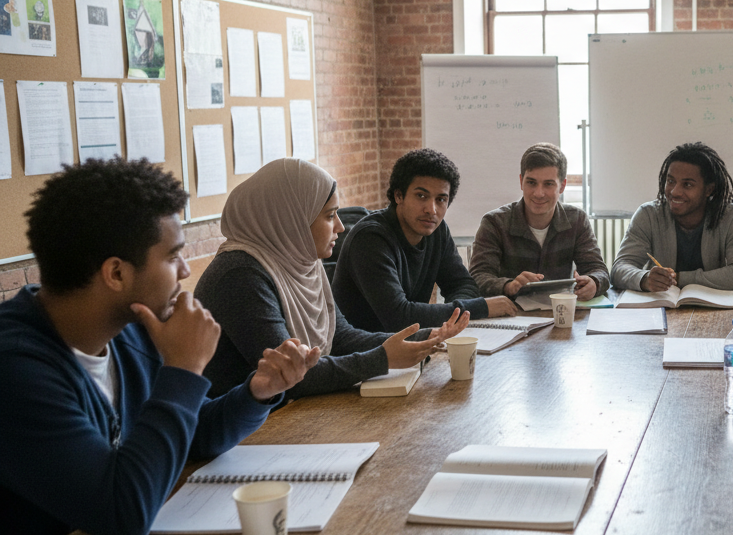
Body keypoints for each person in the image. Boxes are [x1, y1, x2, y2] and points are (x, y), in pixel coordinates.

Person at [0, 158, 316, 535]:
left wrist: (258, 392)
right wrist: (183, 369)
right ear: (116, 273)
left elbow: (193, 434)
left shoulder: (127, 329)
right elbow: (123, 514)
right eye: (173, 257)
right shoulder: (16, 368)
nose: (186, 271)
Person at [198, 158, 467, 400]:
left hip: (286, 416)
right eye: (329, 215)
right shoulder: (241, 275)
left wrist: (425, 336)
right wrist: (383, 359)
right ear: (292, 218)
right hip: (248, 434)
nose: (340, 226)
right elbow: (291, 376)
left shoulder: (303, 263)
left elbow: (341, 338)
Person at [332, 149, 516, 333]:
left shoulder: (437, 230)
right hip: (365, 354)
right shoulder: (370, 238)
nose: (432, 209)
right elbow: (400, 317)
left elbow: (462, 284)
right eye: (421, 196)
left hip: (413, 347)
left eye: (441, 199)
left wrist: (456, 315)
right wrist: (480, 307)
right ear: (398, 196)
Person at [609, 142, 733, 294]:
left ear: (709, 189)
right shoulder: (648, 215)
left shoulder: (732, 216)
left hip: (716, 311)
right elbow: (619, 268)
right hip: (661, 309)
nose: (674, 192)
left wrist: (679, 278)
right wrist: (644, 278)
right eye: (670, 181)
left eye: (687, 184)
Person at [470, 143, 609, 300]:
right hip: (511, 314)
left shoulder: (577, 219)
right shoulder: (494, 222)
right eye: (531, 183)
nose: (539, 193)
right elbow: (477, 278)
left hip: (560, 312)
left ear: (562, 186)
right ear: (521, 181)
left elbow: (598, 270)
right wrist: (509, 285)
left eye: (548, 184)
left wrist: (594, 283)